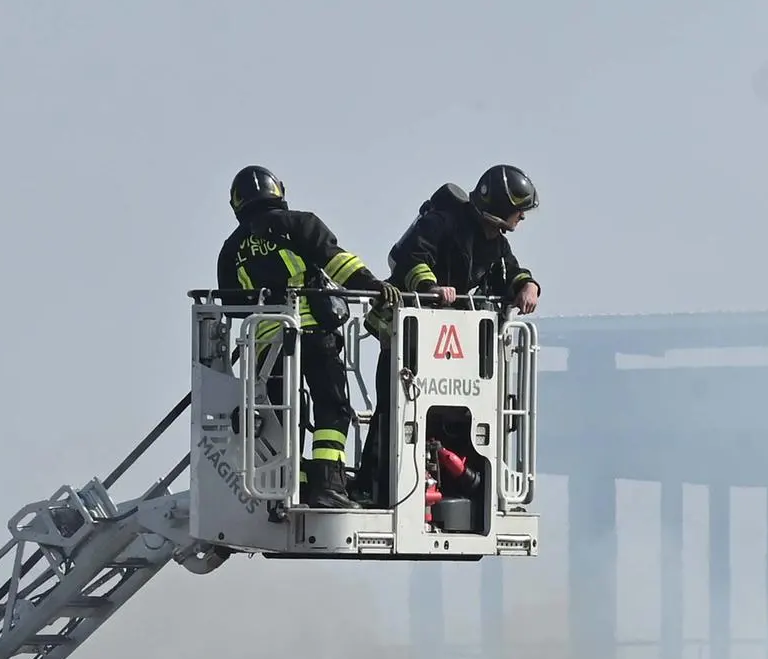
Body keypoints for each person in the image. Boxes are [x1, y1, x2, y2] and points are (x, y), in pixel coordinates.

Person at [213, 165, 382, 507]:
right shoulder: (299, 224)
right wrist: (375, 287)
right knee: (332, 409)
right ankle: (328, 484)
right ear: (278, 191)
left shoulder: (231, 249)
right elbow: (338, 262)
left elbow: (232, 307)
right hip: (313, 333)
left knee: (281, 419)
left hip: (266, 347)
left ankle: (290, 484)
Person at [386, 164, 541, 314]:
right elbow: (412, 260)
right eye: (518, 210)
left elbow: (507, 274)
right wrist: (431, 288)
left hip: (442, 324)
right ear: (501, 207)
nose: (522, 216)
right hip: (398, 315)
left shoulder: (497, 245)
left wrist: (528, 285)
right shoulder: (441, 223)